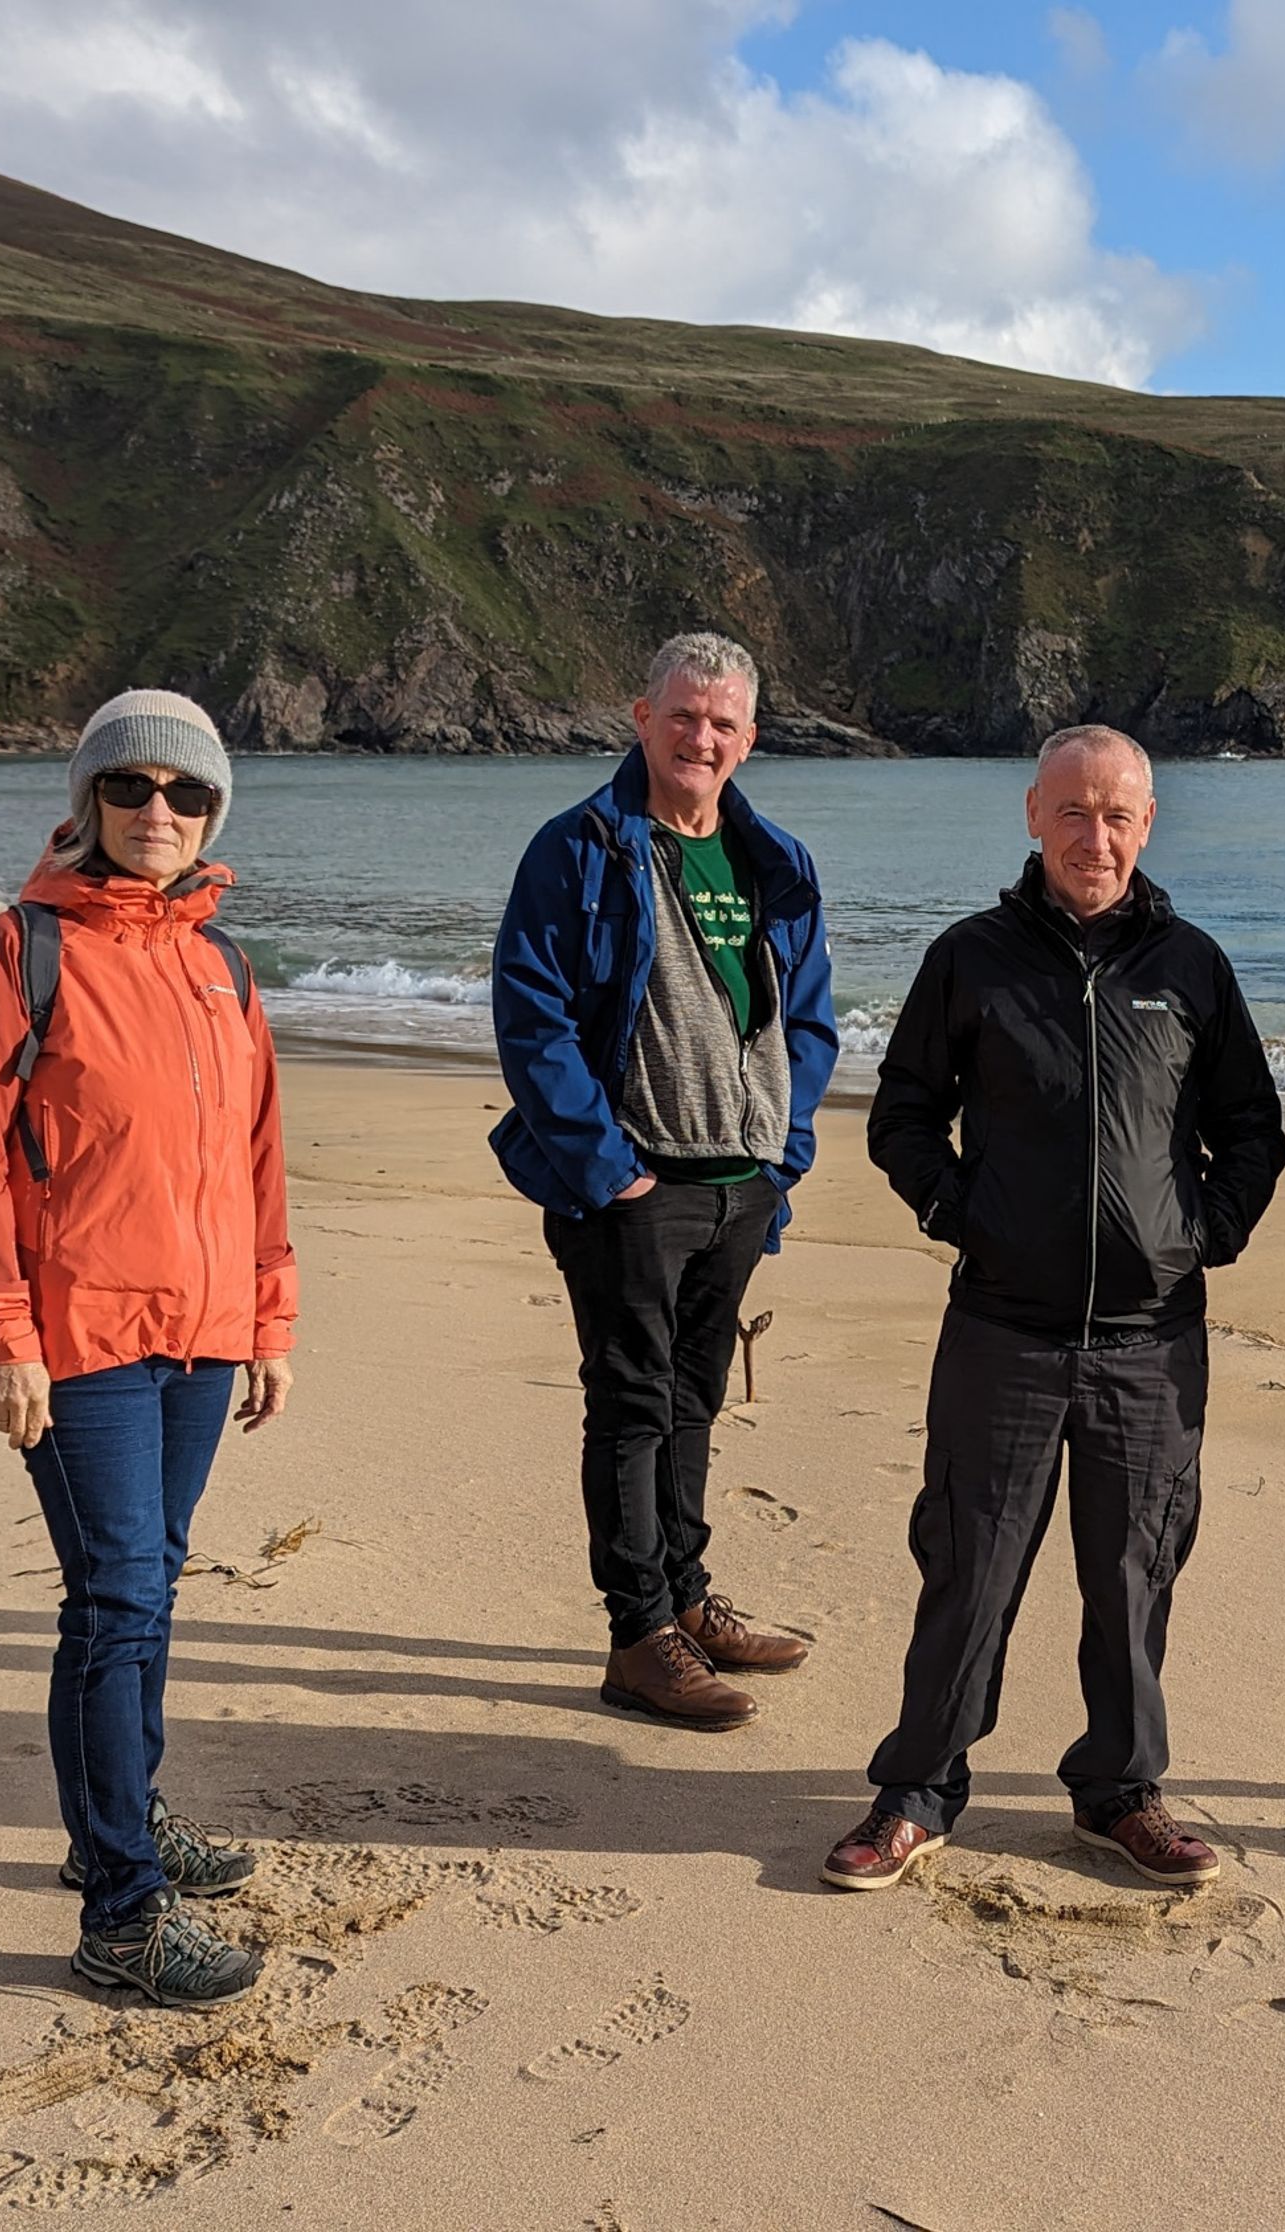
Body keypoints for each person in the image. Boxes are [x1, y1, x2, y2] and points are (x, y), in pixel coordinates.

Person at [821, 727, 1285, 1892]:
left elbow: (1255, 1134)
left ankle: (1120, 1794)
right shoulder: (971, 960)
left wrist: (1196, 1240)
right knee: (968, 1567)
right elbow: (904, 1119)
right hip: (1002, 1332)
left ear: (1148, 824)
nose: (1097, 835)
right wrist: (966, 1213)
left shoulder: (1192, 967)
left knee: (1134, 1576)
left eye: (1120, 814)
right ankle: (919, 1792)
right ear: (1033, 814)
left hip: (1151, 1345)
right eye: (1074, 811)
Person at [0, 688, 295, 2008]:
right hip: (75, 1342)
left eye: (187, 796)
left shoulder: (223, 969)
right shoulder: (12, 955)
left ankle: (117, 1825)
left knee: (144, 1588)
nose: (159, 815)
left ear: (214, 815)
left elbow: (255, 1168)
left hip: (200, 1334)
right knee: (122, 1593)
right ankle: (125, 1907)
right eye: (131, 790)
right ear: (86, 805)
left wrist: (268, 1318)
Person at [491, 632, 839, 1731]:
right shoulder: (582, 848)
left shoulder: (772, 857)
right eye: (683, 716)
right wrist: (610, 1171)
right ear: (641, 719)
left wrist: (782, 1153)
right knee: (632, 1403)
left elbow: (811, 1016)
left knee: (693, 1400)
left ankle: (687, 1597)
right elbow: (532, 1016)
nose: (701, 738)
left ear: (749, 740)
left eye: (723, 723)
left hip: (743, 1183)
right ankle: (636, 1635)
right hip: (635, 1183)